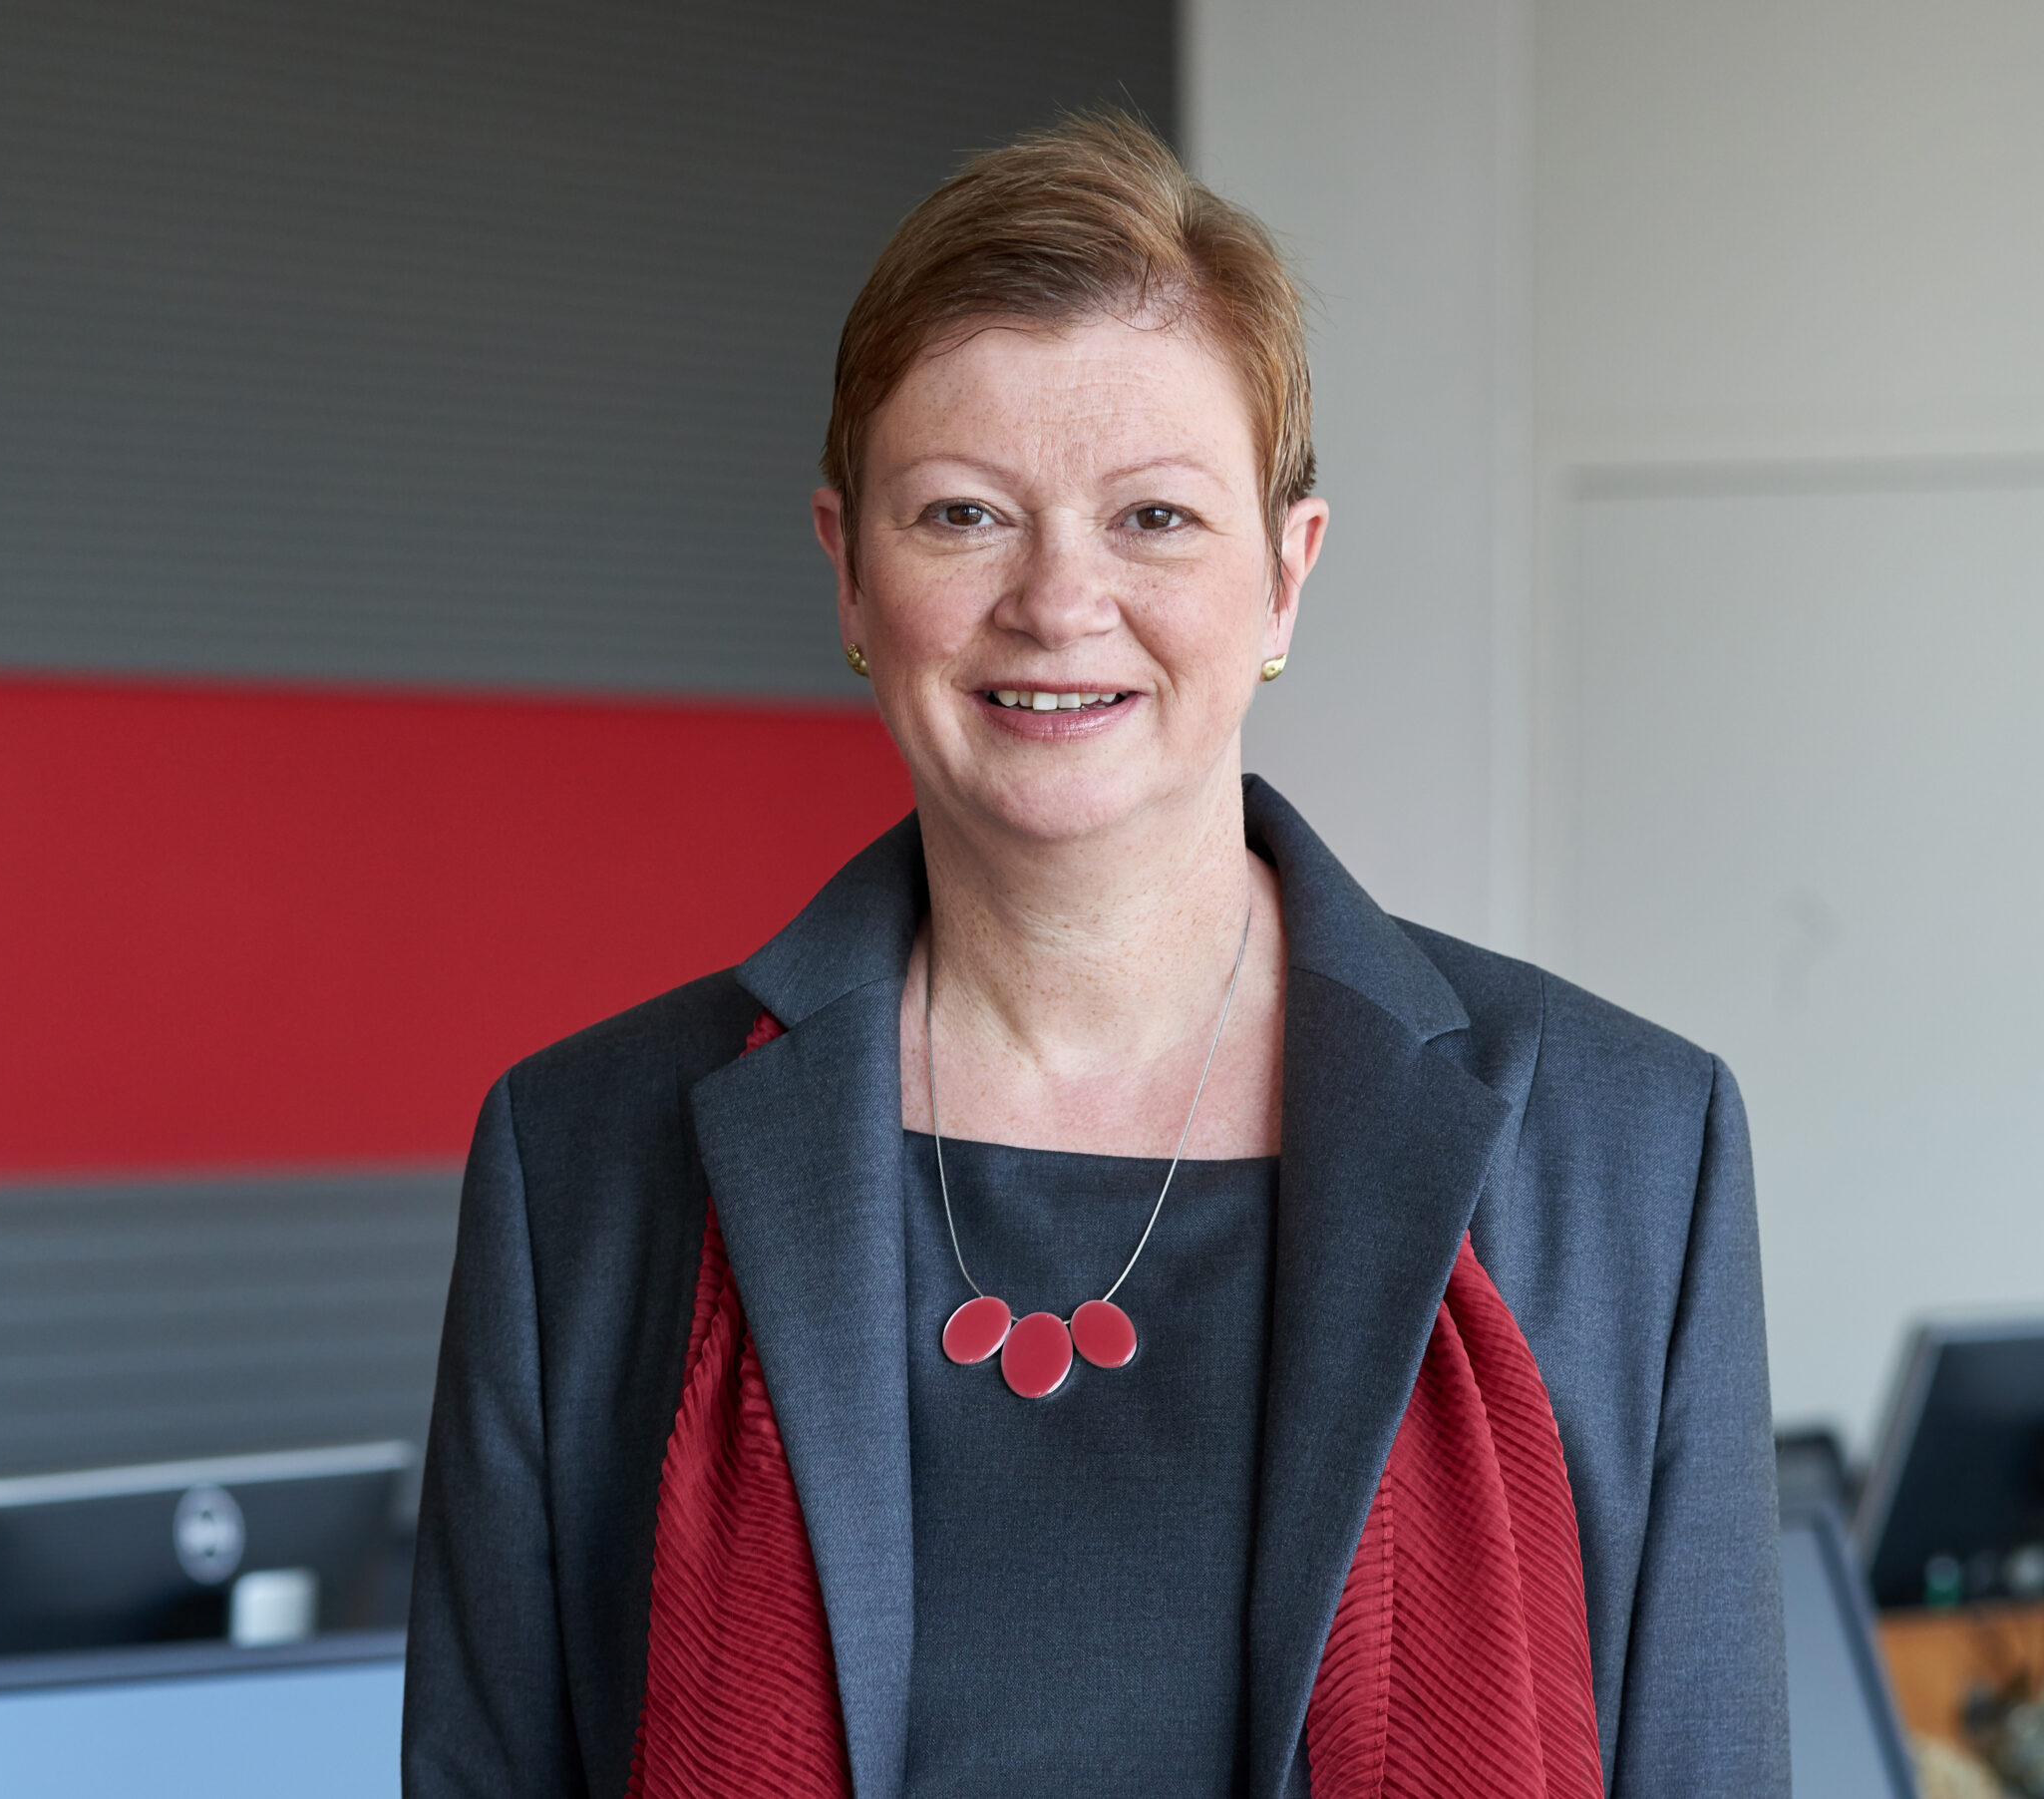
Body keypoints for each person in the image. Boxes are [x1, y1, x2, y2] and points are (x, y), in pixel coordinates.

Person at [405, 109, 1787, 1799]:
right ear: (849, 573)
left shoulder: (1634, 1146)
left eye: (1154, 519)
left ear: (1287, 579)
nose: (1059, 603)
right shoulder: (584, 1160)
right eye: (966, 514)